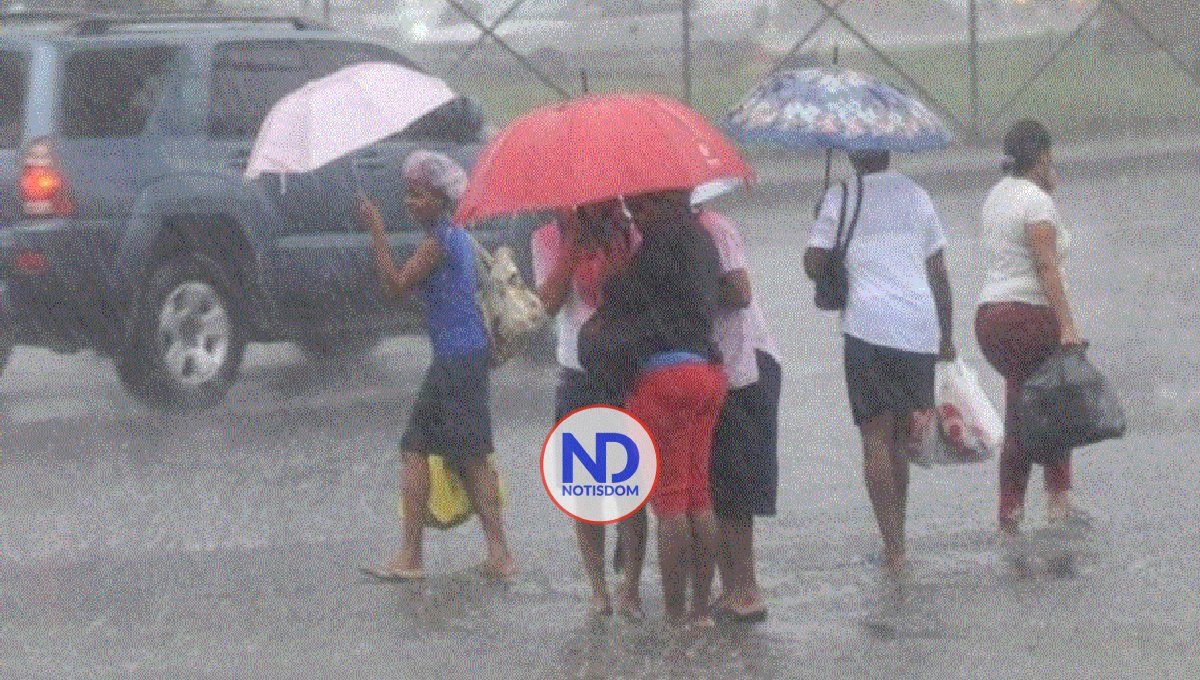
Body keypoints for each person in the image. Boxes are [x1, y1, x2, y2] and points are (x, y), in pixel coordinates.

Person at [360, 150, 515, 581]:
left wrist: (376, 232)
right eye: (408, 194)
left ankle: (424, 557)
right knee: (450, 451)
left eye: (421, 195)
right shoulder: (456, 235)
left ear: (442, 198)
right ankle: (486, 554)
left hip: (456, 360)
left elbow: (394, 287)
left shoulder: (437, 242)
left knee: (459, 453)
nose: (411, 202)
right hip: (461, 358)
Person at [804, 149, 955, 577]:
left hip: (867, 327)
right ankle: (899, 540)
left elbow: (814, 266)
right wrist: (946, 337)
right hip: (916, 325)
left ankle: (892, 549)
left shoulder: (842, 197)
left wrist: (821, 221)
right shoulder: (917, 195)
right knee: (900, 438)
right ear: (890, 150)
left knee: (875, 438)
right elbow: (938, 272)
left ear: (852, 154)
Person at [581, 188, 726, 627]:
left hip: (663, 378)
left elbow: (620, 300)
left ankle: (675, 611)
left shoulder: (658, 244)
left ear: (666, 202)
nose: (634, 215)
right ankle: (701, 610)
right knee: (699, 495)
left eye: (641, 206)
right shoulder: (704, 240)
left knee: (669, 502)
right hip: (707, 371)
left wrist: (616, 266)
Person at [532, 199, 648, 619]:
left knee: (631, 488)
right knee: (585, 490)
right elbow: (546, 303)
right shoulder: (547, 237)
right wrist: (575, 243)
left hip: (623, 369)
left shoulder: (631, 233)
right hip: (576, 371)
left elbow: (638, 298)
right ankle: (597, 589)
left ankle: (630, 586)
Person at [975, 119, 1089, 536]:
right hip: (1026, 317)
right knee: (1052, 406)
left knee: (1025, 403)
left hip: (990, 317)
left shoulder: (996, 197)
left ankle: (1020, 506)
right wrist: (1067, 324)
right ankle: (1047, 503)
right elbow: (1046, 266)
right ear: (1042, 158)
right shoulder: (1036, 202)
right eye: (1051, 158)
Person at [694, 206, 782, 624]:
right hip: (710, 369)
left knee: (734, 483)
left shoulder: (714, 228)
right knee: (711, 483)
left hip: (745, 367)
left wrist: (685, 285)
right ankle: (728, 587)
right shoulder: (653, 232)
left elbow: (740, 292)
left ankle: (744, 590)